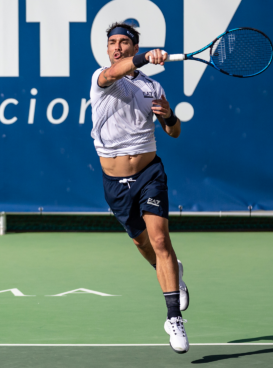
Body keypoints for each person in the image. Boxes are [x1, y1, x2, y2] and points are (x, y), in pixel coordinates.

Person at [90, 22, 190, 353]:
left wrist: (169, 116)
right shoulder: (102, 78)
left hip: (149, 172)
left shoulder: (153, 87)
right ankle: (173, 273)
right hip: (115, 182)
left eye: (123, 42)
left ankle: (173, 317)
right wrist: (146, 56)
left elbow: (173, 133)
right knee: (143, 243)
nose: (116, 47)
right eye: (111, 43)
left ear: (133, 46)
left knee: (161, 239)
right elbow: (116, 72)